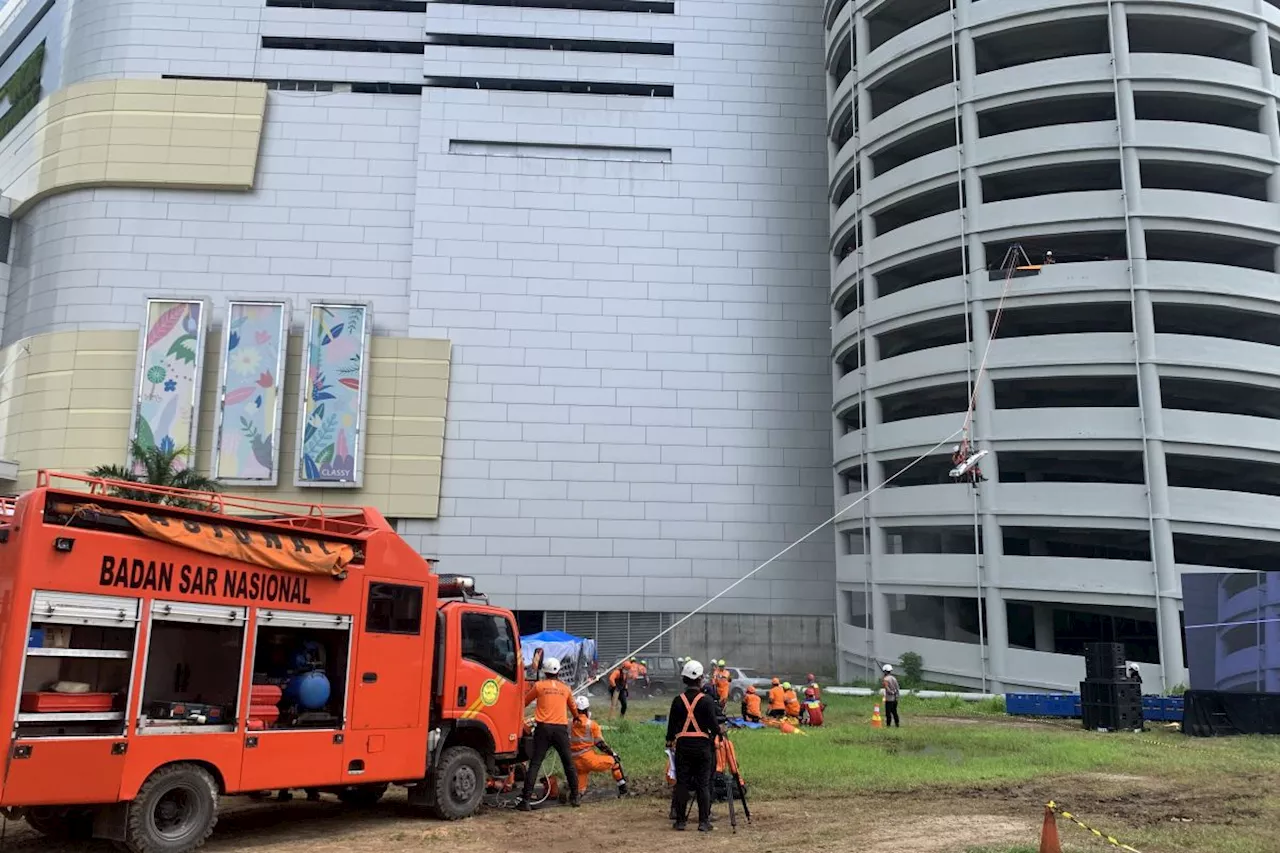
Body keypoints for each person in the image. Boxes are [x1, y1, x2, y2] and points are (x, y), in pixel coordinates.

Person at [666, 659, 721, 832]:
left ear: (685, 679)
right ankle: (704, 822)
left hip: (683, 746)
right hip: (703, 747)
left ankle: (681, 821)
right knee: (703, 784)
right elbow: (714, 726)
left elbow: (671, 727)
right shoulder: (707, 701)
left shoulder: (677, 701)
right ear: (700, 679)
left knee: (682, 783)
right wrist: (719, 732)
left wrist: (669, 741)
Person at [520, 657, 580, 810]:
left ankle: (525, 801)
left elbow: (524, 701)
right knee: (568, 764)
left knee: (535, 763)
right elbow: (574, 708)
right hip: (560, 729)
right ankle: (575, 797)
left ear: (544, 672)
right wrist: (577, 717)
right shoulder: (565, 688)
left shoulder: (539, 686)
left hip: (543, 728)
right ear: (558, 671)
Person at [570, 696, 628, 798]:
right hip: (588, 760)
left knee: (581, 781)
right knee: (614, 762)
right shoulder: (591, 724)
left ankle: (577, 795)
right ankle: (623, 790)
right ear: (587, 709)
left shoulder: (568, 723)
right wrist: (613, 754)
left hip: (574, 761)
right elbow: (600, 744)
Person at [881, 664, 901, 729]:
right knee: (894, 712)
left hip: (889, 699)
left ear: (885, 671)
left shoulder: (885, 679)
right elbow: (897, 687)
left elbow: (887, 688)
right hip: (895, 699)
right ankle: (897, 724)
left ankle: (888, 726)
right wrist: (897, 695)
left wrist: (891, 692)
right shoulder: (894, 678)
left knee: (888, 713)